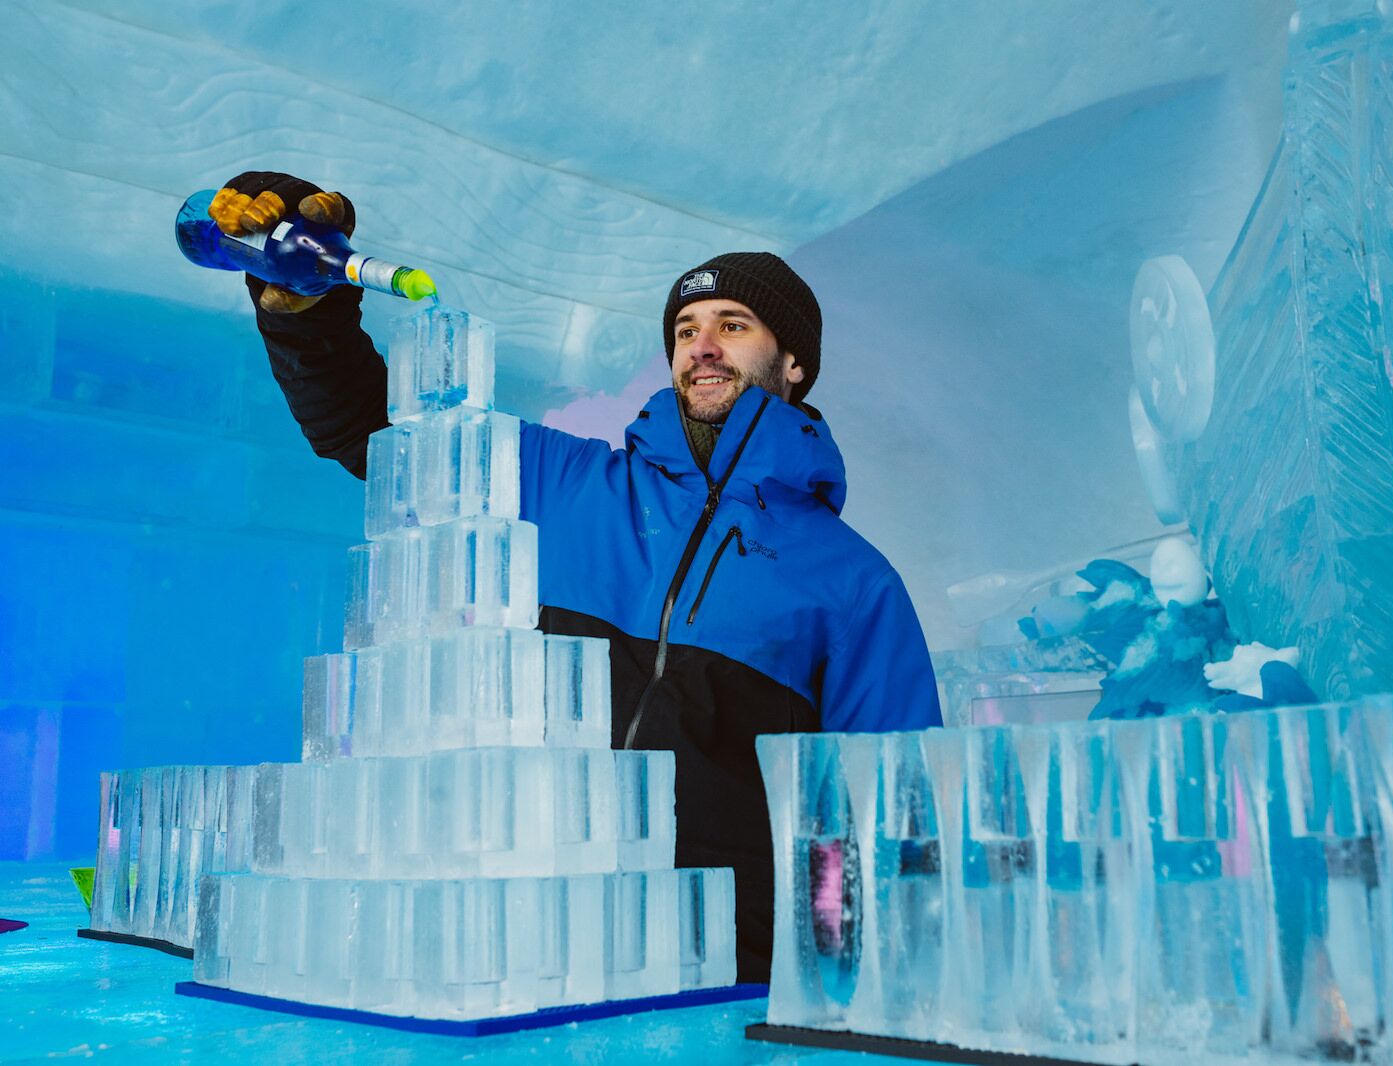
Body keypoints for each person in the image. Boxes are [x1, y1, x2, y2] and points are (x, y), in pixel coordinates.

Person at [212, 172, 943, 981]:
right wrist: (304, 309)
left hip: (727, 979)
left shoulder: (855, 582)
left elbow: (881, 817)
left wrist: (840, 990)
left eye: (733, 325)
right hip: (527, 949)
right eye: (686, 328)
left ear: (794, 363)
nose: (702, 345)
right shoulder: (559, 481)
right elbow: (371, 431)